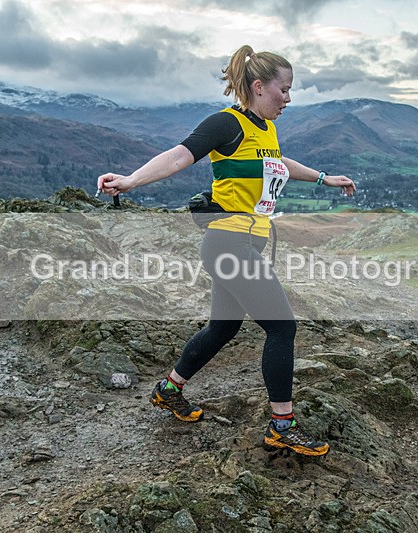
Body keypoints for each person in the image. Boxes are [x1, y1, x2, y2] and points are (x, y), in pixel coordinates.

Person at [98, 45, 356, 457]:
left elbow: (279, 163)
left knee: (223, 328)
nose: (288, 99)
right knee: (281, 327)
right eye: (284, 90)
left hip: (243, 245)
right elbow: (179, 156)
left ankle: (169, 390)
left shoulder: (265, 130)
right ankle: (281, 426)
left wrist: (325, 178)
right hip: (228, 244)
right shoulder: (226, 124)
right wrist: (129, 181)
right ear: (258, 86)